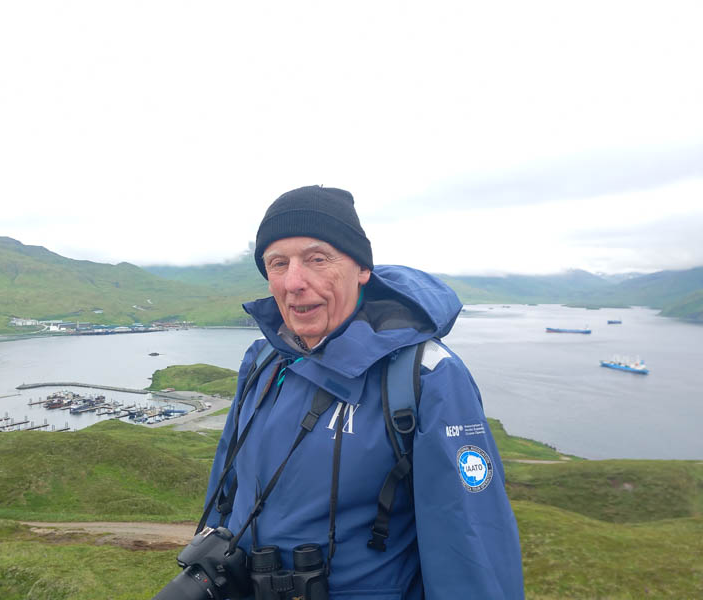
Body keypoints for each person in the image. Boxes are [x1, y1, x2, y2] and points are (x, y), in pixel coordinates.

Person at [201, 185, 524, 598]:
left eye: (317, 259)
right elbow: (225, 491)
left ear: (361, 269)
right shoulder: (262, 362)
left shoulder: (426, 375)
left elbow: (471, 544)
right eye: (277, 264)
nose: (294, 281)